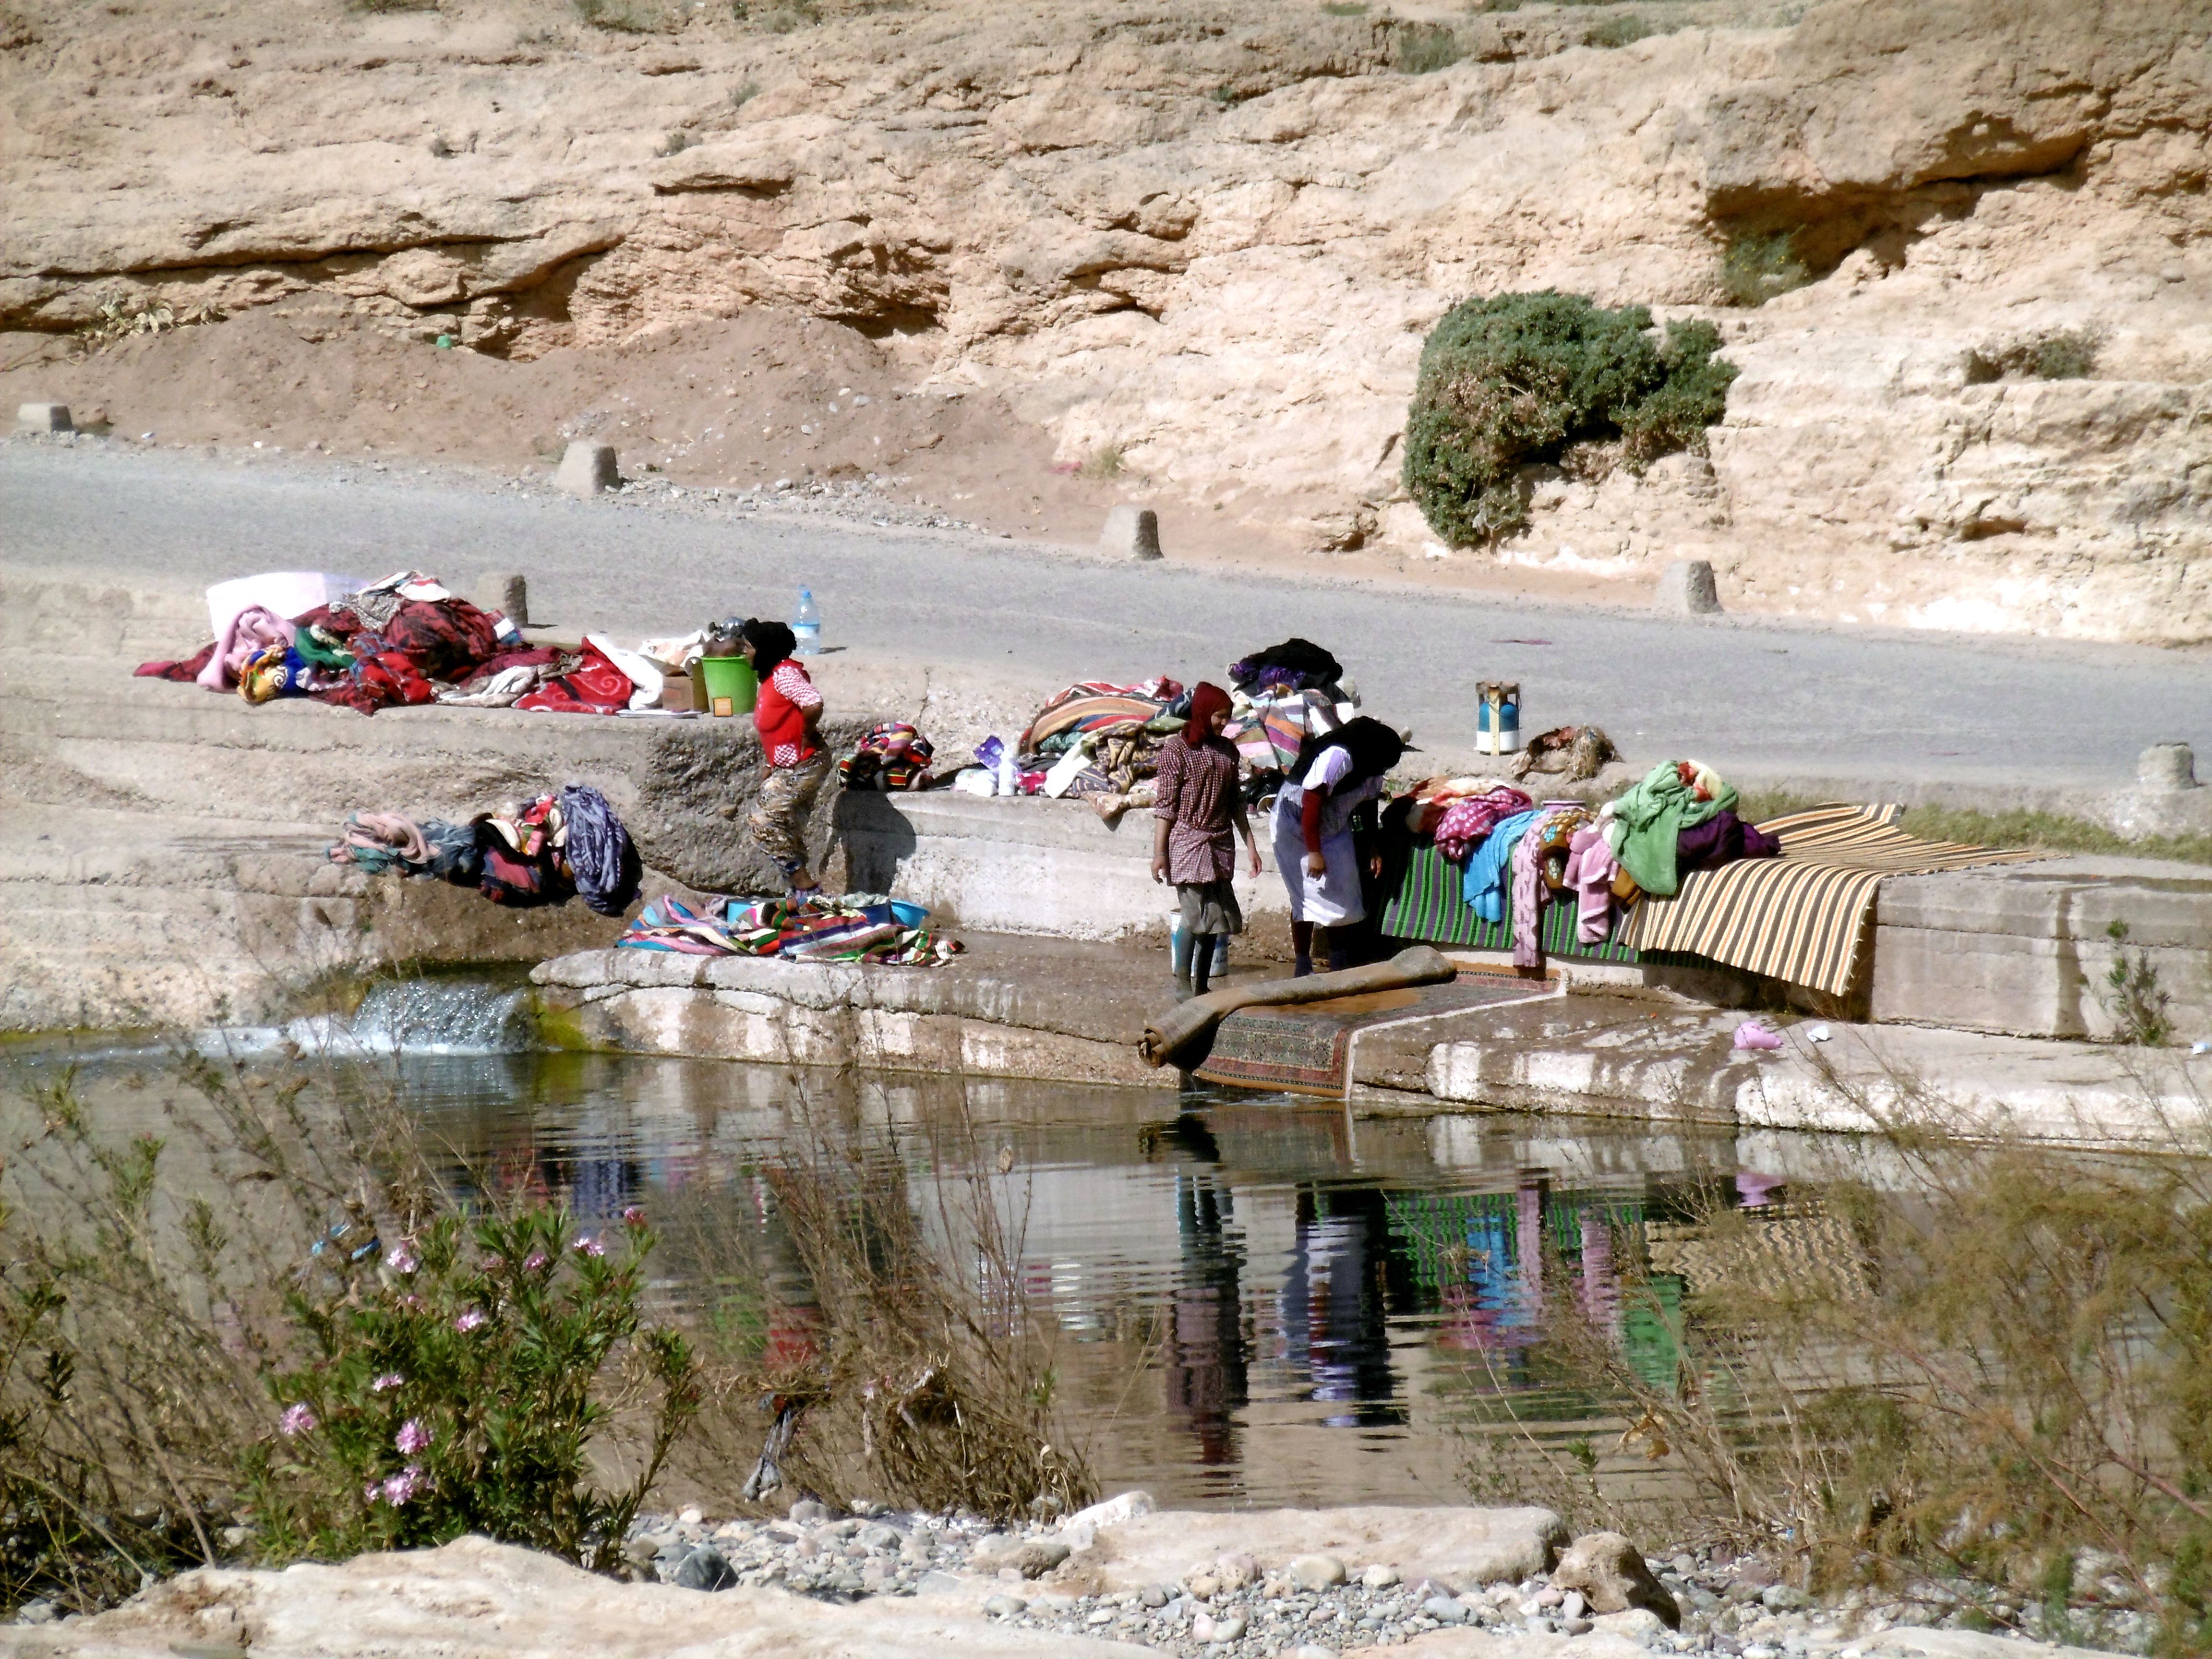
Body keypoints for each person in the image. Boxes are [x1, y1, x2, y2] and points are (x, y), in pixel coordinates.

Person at [1151, 682, 1262, 1000]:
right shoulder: (1177, 750)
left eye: (1228, 717)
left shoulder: (1228, 752)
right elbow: (1166, 807)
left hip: (1220, 842)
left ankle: (1202, 985)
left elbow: (1236, 803)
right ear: (1202, 713)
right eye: (1219, 717)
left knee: (1217, 919)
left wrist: (1251, 847)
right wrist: (1159, 853)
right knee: (1194, 916)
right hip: (1188, 842)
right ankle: (1183, 985)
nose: (1224, 723)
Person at [1271, 716, 1405, 976]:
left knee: (1345, 895)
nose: (1383, 770)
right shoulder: (1338, 756)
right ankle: (1303, 966)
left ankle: (1339, 967)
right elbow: (1311, 802)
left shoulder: (1370, 767)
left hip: (1334, 825)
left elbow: (1368, 802)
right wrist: (1314, 852)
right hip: (1297, 825)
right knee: (1307, 896)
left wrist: (1373, 846)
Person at [737, 618, 829, 895]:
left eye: (748, 647)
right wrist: (770, 763)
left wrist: (807, 733)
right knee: (786, 827)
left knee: (763, 821)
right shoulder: (769, 677)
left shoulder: (785, 675)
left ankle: (806, 887)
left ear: (764, 650)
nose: (744, 653)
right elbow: (777, 725)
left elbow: (813, 703)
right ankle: (800, 896)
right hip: (786, 766)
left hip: (805, 763)